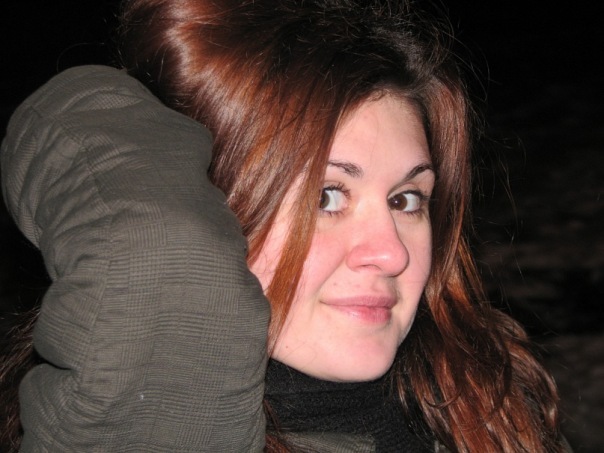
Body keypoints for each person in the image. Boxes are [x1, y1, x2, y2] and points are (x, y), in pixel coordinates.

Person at [0, 0, 567, 451]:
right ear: (202, 209)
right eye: (326, 196)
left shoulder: (487, 403)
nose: (391, 253)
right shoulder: (147, 430)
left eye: (405, 199)